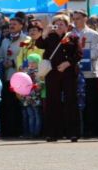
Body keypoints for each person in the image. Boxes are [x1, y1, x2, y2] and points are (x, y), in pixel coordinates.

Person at [35, 13, 82, 142]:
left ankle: (73, 133)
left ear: (67, 26)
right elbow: (39, 44)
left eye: (62, 24)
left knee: (71, 101)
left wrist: (68, 63)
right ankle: (52, 133)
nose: (59, 26)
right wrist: (45, 31)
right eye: (56, 24)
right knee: (52, 102)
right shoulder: (49, 37)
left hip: (68, 73)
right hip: (53, 73)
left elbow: (78, 54)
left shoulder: (73, 37)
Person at [71, 9, 98, 138]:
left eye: (78, 18)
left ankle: (90, 130)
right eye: (74, 18)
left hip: (89, 73)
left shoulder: (93, 35)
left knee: (90, 103)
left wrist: (81, 57)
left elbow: (96, 52)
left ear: (85, 18)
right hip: (74, 74)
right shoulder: (69, 35)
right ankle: (77, 130)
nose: (75, 21)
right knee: (75, 102)